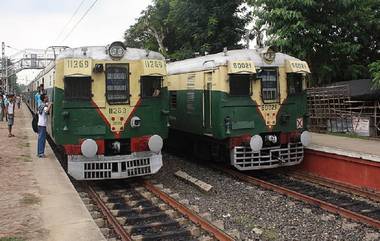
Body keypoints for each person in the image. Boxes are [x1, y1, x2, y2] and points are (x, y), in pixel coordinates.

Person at [37, 94, 52, 158]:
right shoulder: (44, 106)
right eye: (46, 97)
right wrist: (50, 105)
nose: (47, 98)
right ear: (44, 99)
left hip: (40, 123)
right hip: (42, 124)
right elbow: (46, 111)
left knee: (40, 139)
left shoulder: (41, 105)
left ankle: (39, 152)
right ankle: (41, 153)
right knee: (42, 139)